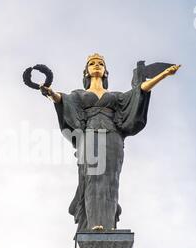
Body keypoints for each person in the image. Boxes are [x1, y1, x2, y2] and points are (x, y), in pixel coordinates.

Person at [40, 53, 180, 232]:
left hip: (113, 137)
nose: (96, 65)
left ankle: (108, 225)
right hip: (90, 137)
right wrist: (50, 92)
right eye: (92, 63)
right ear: (86, 71)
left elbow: (140, 91)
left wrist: (164, 74)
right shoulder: (79, 94)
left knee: (110, 181)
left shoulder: (116, 97)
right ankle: (94, 225)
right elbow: (63, 100)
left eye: (100, 64)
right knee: (93, 179)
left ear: (106, 71)